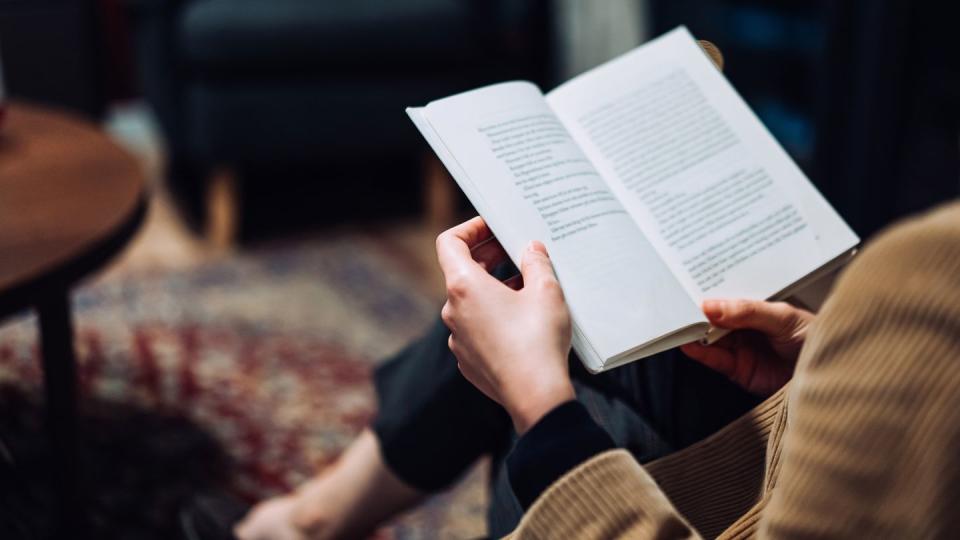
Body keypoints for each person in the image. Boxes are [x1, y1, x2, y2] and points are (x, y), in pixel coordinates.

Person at [436, 201, 960, 538]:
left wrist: (539, 405)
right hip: (755, 460)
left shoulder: (929, 270)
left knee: (521, 300)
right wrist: (830, 366)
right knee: (534, 289)